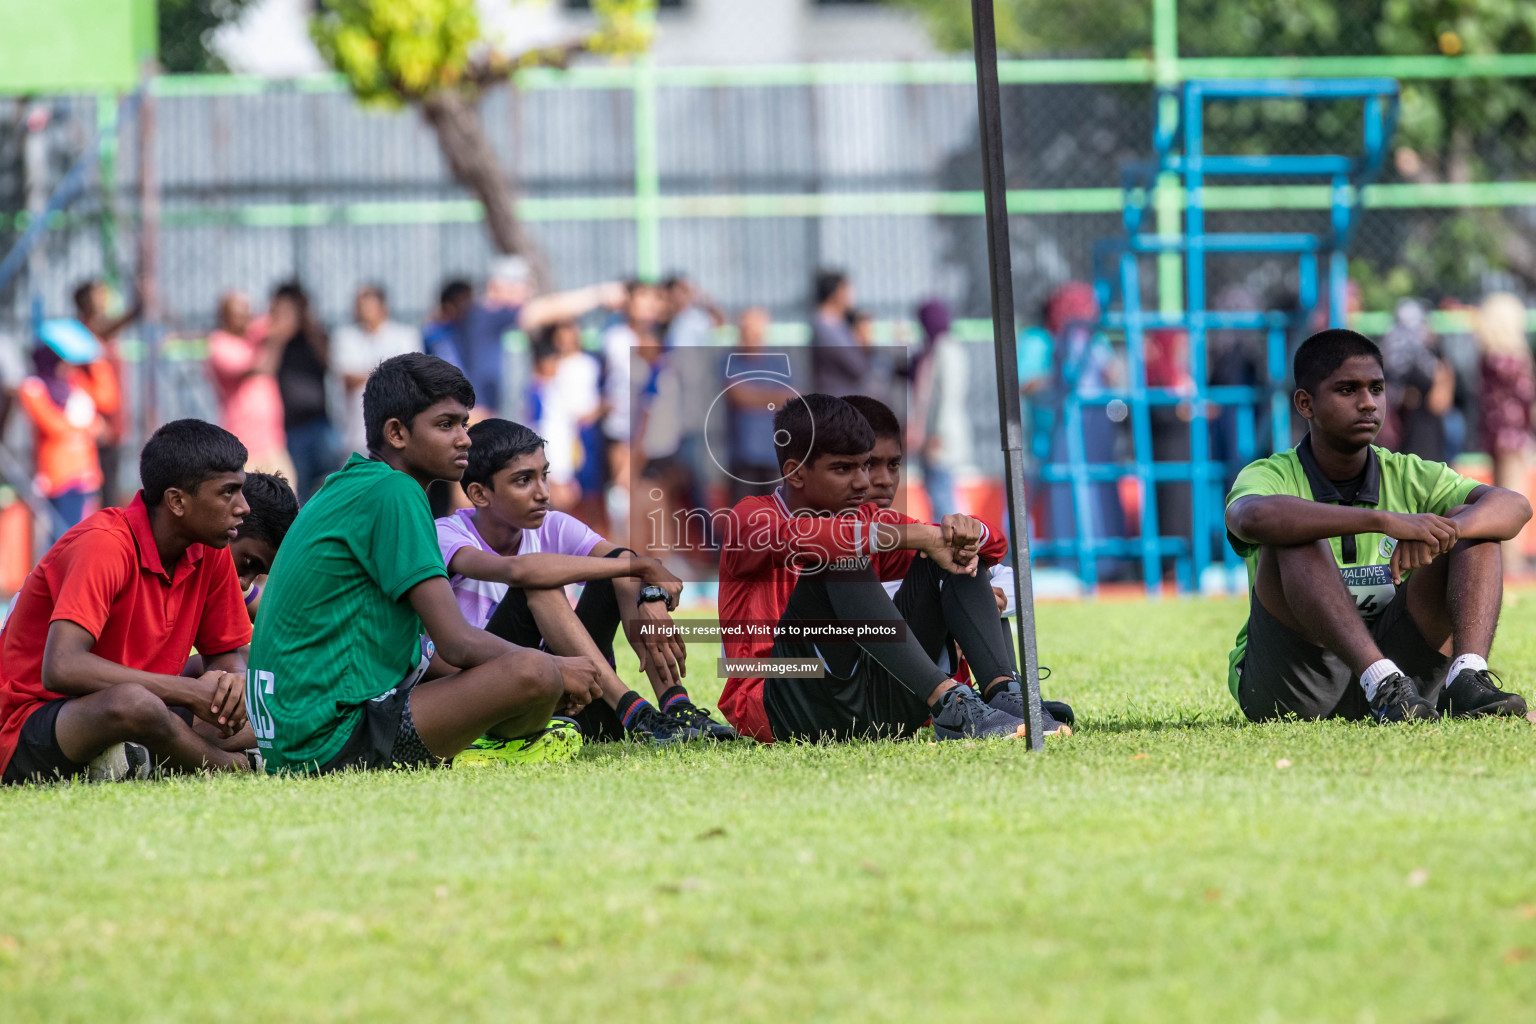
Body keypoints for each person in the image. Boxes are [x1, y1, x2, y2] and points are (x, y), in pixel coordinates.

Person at [244, 353, 604, 774]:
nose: (465, 439)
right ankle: (486, 747)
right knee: (534, 672)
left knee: (527, 670)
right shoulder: (396, 492)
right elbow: (458, 643)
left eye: (464, 424)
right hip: (331, 741)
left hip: (294, 735)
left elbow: (431, 654)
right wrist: (557, 669)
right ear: (396, 432)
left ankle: (487, 734)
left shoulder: (349, 483)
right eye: (446, 424)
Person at [1224, 329, 1531, 724]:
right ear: (1306, 404)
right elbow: (1252, 517)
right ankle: (1378, 678)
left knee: (1475, 525)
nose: (1368, 403)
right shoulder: (1270, 473)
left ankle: (1467, 679)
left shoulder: (1406, 471)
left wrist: (1441, 532)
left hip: (1409, 687)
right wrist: (1386, 521)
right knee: (1294, 533)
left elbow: (1514, 506)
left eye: (1377, 388)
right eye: (1347, 390)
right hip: (1296, 684)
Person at [716, 393, 1034, 744]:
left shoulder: (867, 519)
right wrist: (923, 536)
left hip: (867, 695)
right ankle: (950, 701)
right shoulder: (749, 518)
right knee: (841, 559)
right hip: (779, 699)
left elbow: (993, 547)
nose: (864, 483)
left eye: (863, 466)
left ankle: (1005, 696)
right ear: (794, 472)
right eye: (843, 469)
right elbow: (819, 539)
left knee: (949, 555)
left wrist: (967, 532)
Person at [436, 418, 736, 744]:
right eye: (523, 480)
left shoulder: (554, 525)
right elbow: (521, 571)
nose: (543, 493)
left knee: (619, 568)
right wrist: (641, 566)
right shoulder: (446, 534)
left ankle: (676, 708)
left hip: (575, 693)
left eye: (544, 476)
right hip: (499, 702)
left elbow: (622, 561)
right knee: (540, 582)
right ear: (480, 494)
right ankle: (636, 713)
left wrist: (649, 591)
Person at [0, 419, 260, 784]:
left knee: (255, 684)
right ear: (177, 501)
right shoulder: (104, 544)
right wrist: (190, 692)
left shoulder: (210, 548)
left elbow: (225, 656)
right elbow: (61, 667)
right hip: (33, 718)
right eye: (228, 492)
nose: (244, 507)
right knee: (134, 704)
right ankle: (235, 766)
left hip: (145, 707)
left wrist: (232, 685)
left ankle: (137, 755)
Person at [841, 393, 1073, 736]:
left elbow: (999, 561)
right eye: (869, 464)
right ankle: (980, 701)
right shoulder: (791, 529)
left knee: (960, 559)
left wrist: (974, 600)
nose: (884, 479)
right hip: (839, 690)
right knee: (947, 562)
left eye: (893, 465)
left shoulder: (899, 530)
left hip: (897, 683)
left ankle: (1004, 695)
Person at [462, 256, 622, 419]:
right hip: (477, 414)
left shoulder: (484, 316)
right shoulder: (487, 314)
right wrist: (600, 295)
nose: (527, 293)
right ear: (498, 286)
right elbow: (546, 310)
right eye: (523, 286)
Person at [17, 320, 119, 539]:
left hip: (86, 474)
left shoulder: (74, 382)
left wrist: (96, 360)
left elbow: (107, 400)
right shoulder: (33, 387)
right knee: (62, 540)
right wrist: (91, 428)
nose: (67, 365)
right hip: (58, 477)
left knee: (85, 539)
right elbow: (54, 426)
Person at [1474, 292, 1535, 575]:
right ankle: (1512, 559)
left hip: (1494, 433)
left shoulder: (1489, 356)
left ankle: (1501, 557)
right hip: (1514, 435)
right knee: (1515, 496)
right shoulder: (1513, 358)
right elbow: (1527, 397)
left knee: (1499, 495)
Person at [331, 284, 423, 460]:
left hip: (398, 429)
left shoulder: (405, 336)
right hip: (357, 432)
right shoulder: (345, 336)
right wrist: (388, 374)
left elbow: (410, 378)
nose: (363, 311)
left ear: (382, 306)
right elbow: (347, 379)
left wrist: (366, 374)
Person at [72, 278, 141, 507]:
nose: (103, 298)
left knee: (110, 480)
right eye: (98, 293)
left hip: (113, 417)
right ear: (85, 301)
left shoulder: (103, 330)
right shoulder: (85, 330)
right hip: (97, 420)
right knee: (101, 485)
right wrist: (137, 305)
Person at [207, 290, 290, 477]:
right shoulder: (219, 344)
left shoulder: (253, 334)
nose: (246, 316)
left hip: (273, 441)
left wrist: (280, 310)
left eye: (247, 311)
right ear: (225, 316)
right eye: (239, 312)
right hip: (244, 444)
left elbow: (284, 322)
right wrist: (274, 339)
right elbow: (260, 367)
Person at [266, 281, 336, 501]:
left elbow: (328, 363)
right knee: (301, 491)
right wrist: (279, 335)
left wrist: (307, 325)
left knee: (330, 483)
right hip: (291, 428)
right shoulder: (272, 340)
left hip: (320, 423)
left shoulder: (314, 335)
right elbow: (266, 369)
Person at [808, 269, 868, 397]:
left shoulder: (839, 324)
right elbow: (857, 365)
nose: (852, 295)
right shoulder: (825, 327)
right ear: (837, 293)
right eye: (847, 289)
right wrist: (863, 341)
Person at [422, 278, 473, 371]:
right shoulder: (434, 332)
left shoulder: (469, 330)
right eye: (464, 301)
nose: (469, 306)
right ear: (448, 304)